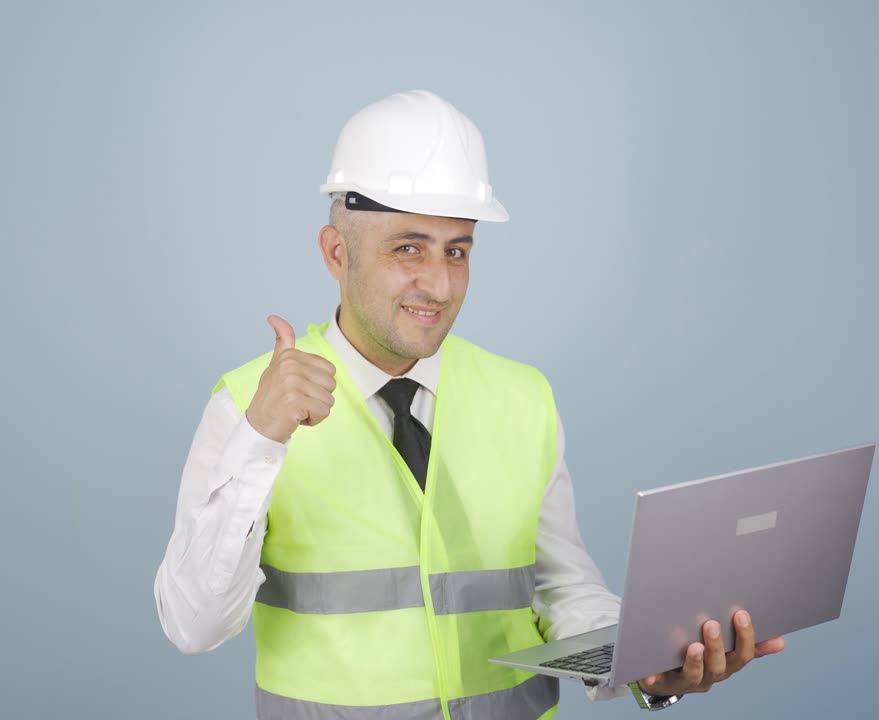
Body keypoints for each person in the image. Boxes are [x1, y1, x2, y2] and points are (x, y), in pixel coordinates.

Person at [154, 89, 785, 719]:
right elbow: (194, 624)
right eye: (408, 248)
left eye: (457, 249)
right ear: (335, 252)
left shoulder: (522, 397)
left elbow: (559, 588)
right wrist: (261, 440)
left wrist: (650, 663)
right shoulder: (248, 406)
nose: (440, 283)